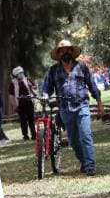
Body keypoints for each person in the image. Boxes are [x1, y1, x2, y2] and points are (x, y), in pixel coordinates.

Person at [42, 39, 103, 176]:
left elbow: (92, 85)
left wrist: (99, 102)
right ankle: (83, 161)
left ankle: (90, 166)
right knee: (73, 141)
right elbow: (46, 88)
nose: (65, 52)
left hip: (82, 106)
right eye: (62, 51)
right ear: (58, 54)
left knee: (85, 136)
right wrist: (45, 95)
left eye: (68, 50)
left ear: (72, 52)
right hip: (65, 110)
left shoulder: (82, 67)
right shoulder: (53, 71)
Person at [8, 66, 37, 141]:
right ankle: (25, 135)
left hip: (29, 102)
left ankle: (34, 134)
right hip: (20, 104)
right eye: (19, 73)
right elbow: (11, 95)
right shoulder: (13, 83)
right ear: (15, 75)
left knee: (31, 119)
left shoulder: (27, 79)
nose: (21, 74)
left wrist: (32, 87)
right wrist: (14, 105)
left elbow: (35, 88)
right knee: (23, 120)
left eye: (21, 73)